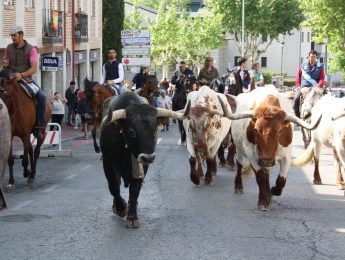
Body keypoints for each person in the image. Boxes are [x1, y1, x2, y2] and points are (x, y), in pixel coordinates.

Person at [2, 25, 46, 139]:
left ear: (21, 35)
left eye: (14, 35)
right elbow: (5, 61)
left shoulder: (31, 50)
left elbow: (34, 69)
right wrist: (5, 64)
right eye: (11, 36)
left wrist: (21, 75)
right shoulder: (9, 48)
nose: (12, 38)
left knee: (41, 96)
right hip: (10, 79)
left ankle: (40, 126)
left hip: (25, 79)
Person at [293, 50, 325, 118]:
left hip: (316, 88)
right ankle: (297, 117)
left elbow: (322, 78)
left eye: (313, 57)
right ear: (308, 57)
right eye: (311, 57)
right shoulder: (302, 66)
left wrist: (319, 84)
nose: (312, 58)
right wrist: (298, 85)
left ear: (316, 57)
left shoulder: (320, 66)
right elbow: (298, 77)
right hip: (304, 88)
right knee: (296, 99)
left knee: (327, 98)